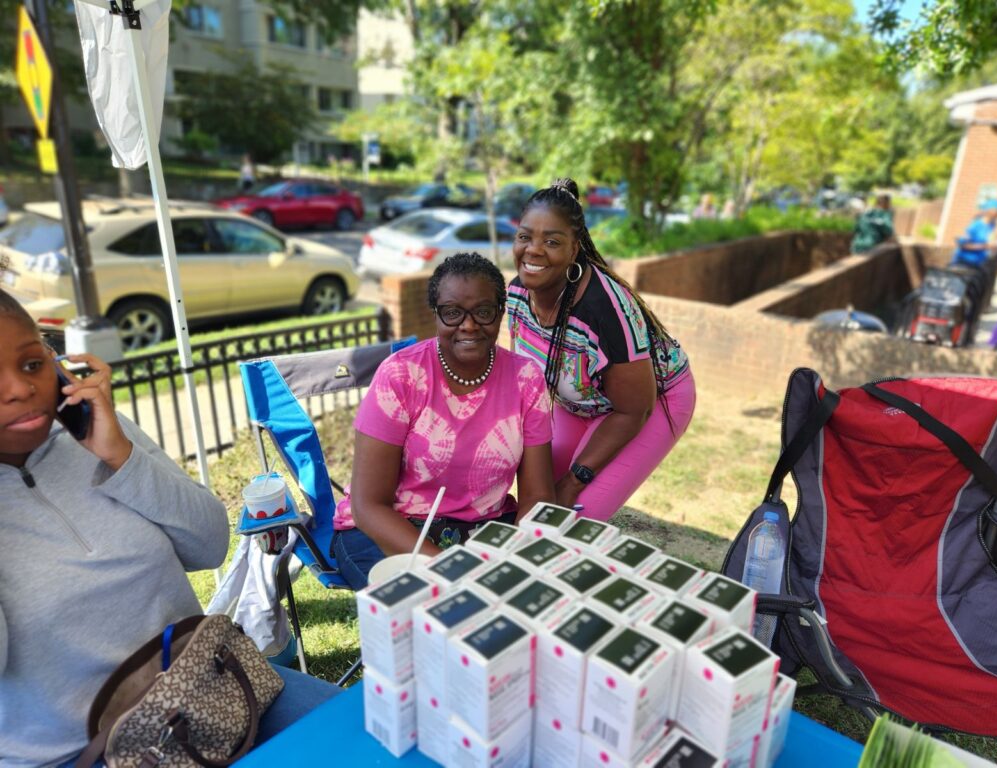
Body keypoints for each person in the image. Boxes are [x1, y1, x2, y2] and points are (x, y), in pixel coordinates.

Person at [0, 286, 336, 766]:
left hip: (208, 683)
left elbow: (210, 545)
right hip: (83, 753)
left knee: (372, 739)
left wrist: (121, 456)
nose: (18, 387)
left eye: (32, 364)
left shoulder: (97, 430)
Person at [332, 252, 555, 589]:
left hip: (484, 527)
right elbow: (368, 506)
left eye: (483, 311)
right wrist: (446, 569)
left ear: (500, 313)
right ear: (436, 315)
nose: (468, 325)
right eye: (452, 313)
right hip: (391, 530)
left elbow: (537, 495)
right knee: (431, 609)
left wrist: (518, 557)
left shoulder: (526, 379)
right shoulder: (401, 376)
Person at [508, 179, 697, 521]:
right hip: (580, 401)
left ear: (574, 248)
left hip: (646, 404)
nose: (533, 250)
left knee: (576, 513)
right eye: (525, 236)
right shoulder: (517, 296)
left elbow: (632, 411)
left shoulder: (604, 310)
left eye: (551, 241)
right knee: (537, 499)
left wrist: (573, 482)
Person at [952, 199, 997, 268]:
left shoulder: (992, 226)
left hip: (978, 264)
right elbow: (963, 244)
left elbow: (990, 242)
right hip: (963, 263)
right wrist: (986, 246)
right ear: (991, 211)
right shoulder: (975, 225)